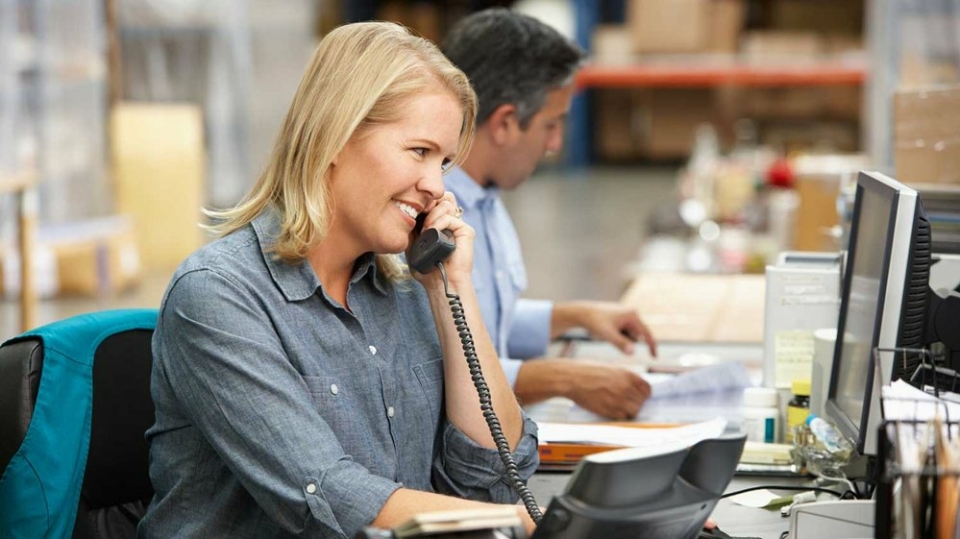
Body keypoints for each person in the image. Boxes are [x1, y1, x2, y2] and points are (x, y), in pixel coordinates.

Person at [138, 22, 540, 539]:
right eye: (419, 152)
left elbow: (495, 481)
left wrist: (451, 292)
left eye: (444, 162)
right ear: (335, 136)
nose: (436, 188)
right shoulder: (219, 295)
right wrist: (526, 525)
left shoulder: (404, 292)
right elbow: (329, 498)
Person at [441, 9, 658, 420]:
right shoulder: (431, 220)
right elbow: (437, 368)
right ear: (505, 123)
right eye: (551, 124)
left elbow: (480, 324)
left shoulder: (485, 200)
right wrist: (563, 379)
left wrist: (573, 317)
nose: (555, 144)